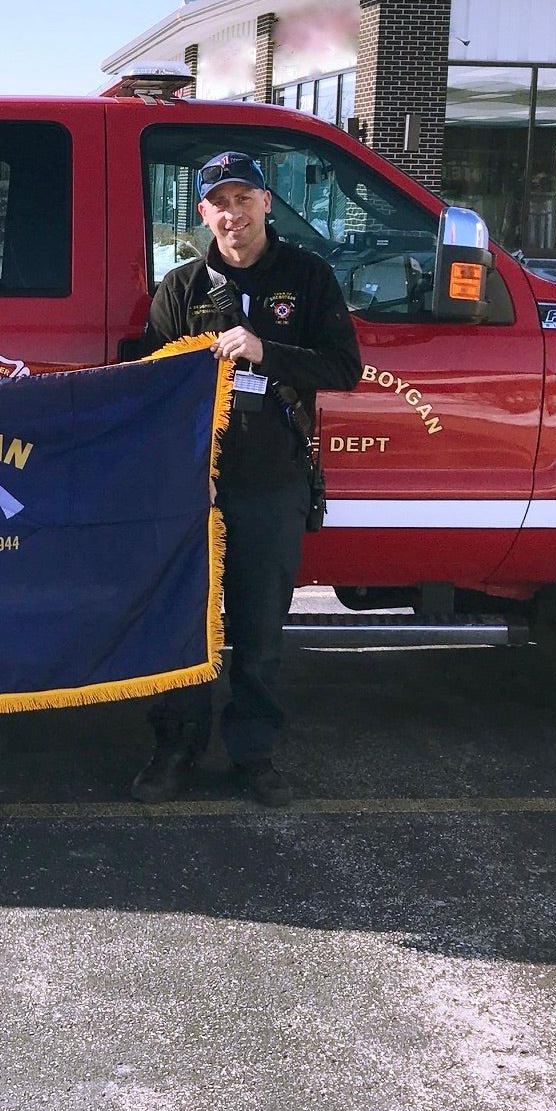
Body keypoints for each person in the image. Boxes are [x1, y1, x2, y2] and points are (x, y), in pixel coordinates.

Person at [130, 151, 360, 807]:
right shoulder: (180, 288)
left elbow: (344, 368)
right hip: (193, 490)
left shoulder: (309, 278)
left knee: (259, 633)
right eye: (219, 202)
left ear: (266, 203)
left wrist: (265, 350)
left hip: (272, 482)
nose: (232, 214)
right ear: (203, 212)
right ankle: (175, 748)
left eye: (244, 198)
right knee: (185, 628)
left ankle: (254, 755)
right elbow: (152, 387)